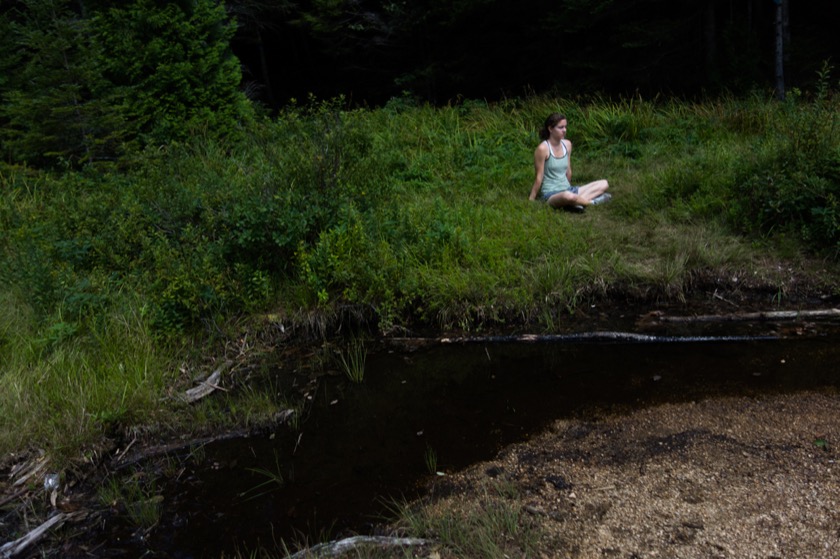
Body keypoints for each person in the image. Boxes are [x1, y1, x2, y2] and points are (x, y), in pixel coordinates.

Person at [528, 113, 610, 210]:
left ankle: (575, 202)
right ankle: (591, 202)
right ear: (550, 129)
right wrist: (531, 199)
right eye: (561, 127)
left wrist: (569, 189)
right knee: (568, 196)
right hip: (550, 194)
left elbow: (568, 171)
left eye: (565, 127)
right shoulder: (542, 149)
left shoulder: (567, 144)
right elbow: (539, 177)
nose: (564, 130)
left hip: (568, 189)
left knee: (604, 183)